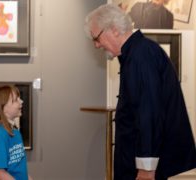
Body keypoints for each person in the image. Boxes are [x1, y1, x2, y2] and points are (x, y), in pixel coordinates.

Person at [84, 3, 196, 180]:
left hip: (141, 172)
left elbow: (149, 112)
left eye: (96, 38)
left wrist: (146, 169)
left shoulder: (141, 56)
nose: (97, 46)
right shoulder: (137, 54)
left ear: (113, 29)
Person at [0, 85, 32, 180]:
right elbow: (0, 173)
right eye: (16, 100)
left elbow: (18, 167)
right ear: (3, 108)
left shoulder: (14, 131)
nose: (21, 101)